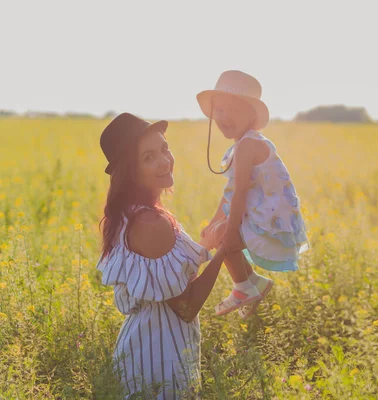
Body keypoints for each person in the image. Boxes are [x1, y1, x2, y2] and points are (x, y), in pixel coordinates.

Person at [96, 112, 238, 398]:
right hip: (159, 355)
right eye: (148, 157)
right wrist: (224, 250)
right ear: (130, 171)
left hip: (148, 345)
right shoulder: (150, 223)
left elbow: (175, 282)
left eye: (164, 148)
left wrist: (207, 244)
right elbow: (185, 307)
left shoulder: (135, 213)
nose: (164, 160)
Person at [196, 70, 309, 318]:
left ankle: (244, 287)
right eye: (220, 111)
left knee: (222, 235)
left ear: (251, 114)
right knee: (213, 232)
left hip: (270, 219)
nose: (224, 117)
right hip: (260, 213)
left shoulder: (248, 145)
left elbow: (239, 195)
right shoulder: (240, 145)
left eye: (234, 111)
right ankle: (251, 284)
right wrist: (215, 221)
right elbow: (229, 194)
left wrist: (227, 229)